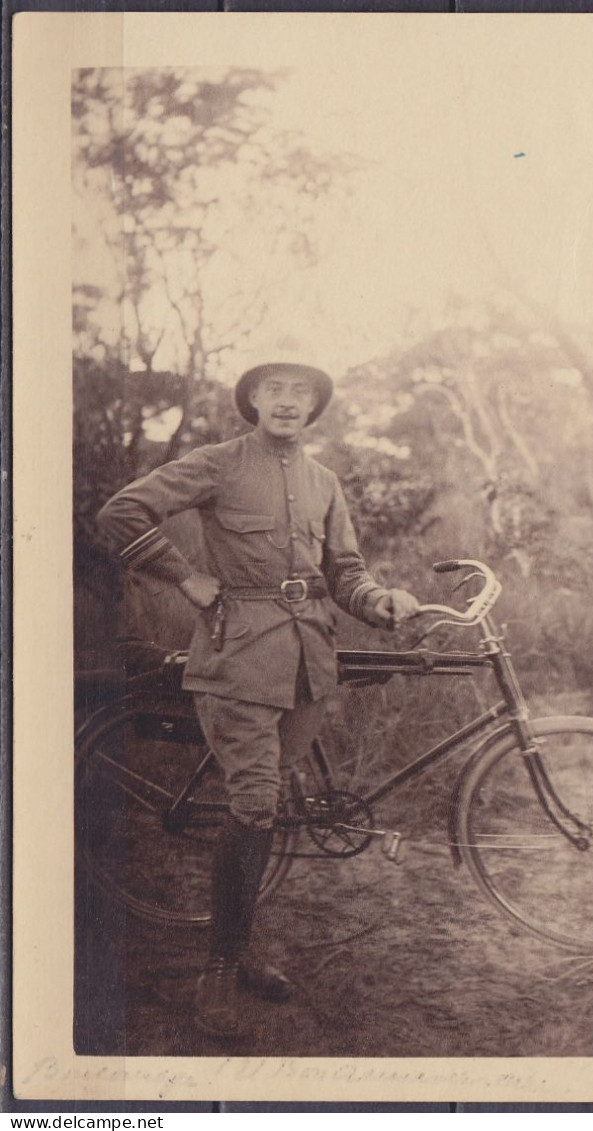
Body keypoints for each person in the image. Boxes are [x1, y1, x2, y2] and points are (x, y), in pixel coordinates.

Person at [97, 358, 420, 1037]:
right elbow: (122, 511)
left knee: (266, 807)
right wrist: (184, 576)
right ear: (252, 400)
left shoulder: (324, 482)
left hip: (307, 662)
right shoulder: (218, 462)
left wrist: (381, 602)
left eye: (301, 392)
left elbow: (344, 572)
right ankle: (216, 967)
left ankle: (239, 948)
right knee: (253, 800)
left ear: (312, 409)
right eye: (274, 389)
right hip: (237, 655)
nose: (288, 401)